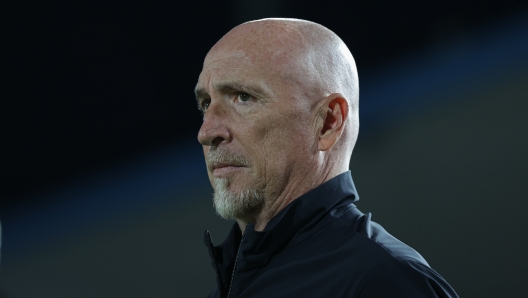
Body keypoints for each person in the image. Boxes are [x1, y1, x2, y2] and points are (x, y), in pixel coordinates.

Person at [195, 18, 458, 298]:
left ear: (328, 123)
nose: (207, 132)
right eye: (206, 104)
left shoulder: (383, 281)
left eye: (243, 97)